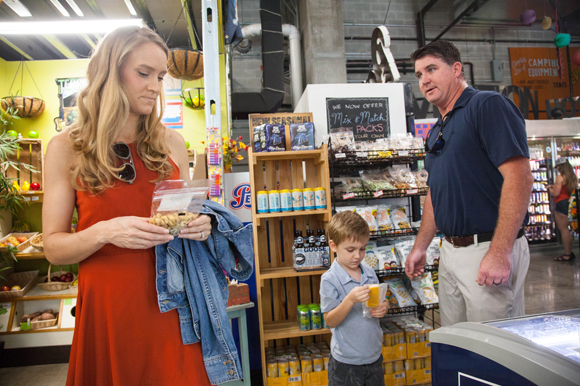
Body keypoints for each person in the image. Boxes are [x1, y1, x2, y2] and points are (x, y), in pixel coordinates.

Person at [43, 26, 213, 386]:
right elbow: (53, 248)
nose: (155, 85)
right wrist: (106, 231)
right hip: (110, 307)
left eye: (161, 76)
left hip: (172, 300)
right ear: (109, 71)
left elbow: (182, 217)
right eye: (143, 73)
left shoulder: (172, 143)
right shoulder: (66, 148)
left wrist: (200, 225)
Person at [405, 40, 534, 327]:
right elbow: (435, 192)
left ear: (456, 69)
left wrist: (499, 252)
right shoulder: (437, 129)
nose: (424, 80)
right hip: (449, 252)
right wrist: (421, 247)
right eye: (419, 74)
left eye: (431, 69)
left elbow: (520, 177)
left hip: (487, 248)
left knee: (495, 347)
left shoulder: (486, 106)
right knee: (459, 343)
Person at [320, 211, 389, 386]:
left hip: (374, 356)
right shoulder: (330, 279)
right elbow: (330, 320)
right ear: (333, 246)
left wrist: (384, 306)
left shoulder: (369, 272)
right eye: (350, 250)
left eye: (362, 249)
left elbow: (381, 300)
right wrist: (349, 300)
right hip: (346, 362)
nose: (357, 256)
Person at [548, 158, 577, 261]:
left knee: (564, 230)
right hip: (570, 204)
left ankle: (567, 254)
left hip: (560, 204)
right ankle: (570, 252)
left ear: (561, 167)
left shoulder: (559, 177)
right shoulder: (572, 177)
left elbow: (556, 193)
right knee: (568, 230)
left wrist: (550, 189)